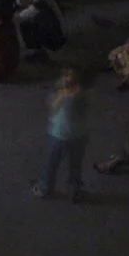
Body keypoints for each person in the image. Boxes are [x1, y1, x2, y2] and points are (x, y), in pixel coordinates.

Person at [33, 68, 90, 201]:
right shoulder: (82, 95)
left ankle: (45, 187)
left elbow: (52, 107)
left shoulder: (63, 96)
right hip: (79, 135)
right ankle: (74, 189)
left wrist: (57, 94)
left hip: (59, 135)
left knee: (52, 162)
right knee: (75, 163)